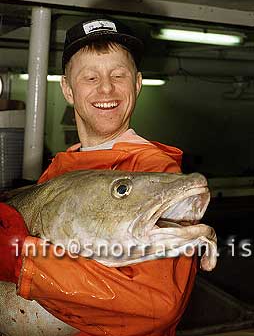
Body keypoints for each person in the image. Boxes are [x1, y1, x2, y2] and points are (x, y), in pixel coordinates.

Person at [0, 17, 197, 336]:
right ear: (67, 89)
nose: (106, 88)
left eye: (119, 75)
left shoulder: (154, 173)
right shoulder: (60, 168)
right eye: (90, 76)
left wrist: (22, 263)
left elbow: (156, 304)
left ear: (137, 83)